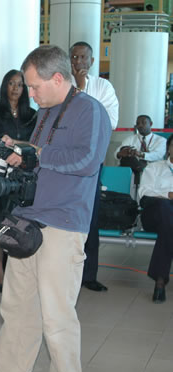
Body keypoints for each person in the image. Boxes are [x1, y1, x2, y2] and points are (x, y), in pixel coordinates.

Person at [0, 45, 111, 372]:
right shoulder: (47, 113)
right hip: (29, 221)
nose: (29, 94)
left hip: (64, 225)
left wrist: (36, 153)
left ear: (57, 78)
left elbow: (87, 160)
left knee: (57, 314)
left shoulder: (90, 111)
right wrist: (15, 150)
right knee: (17, 308)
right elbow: (38, 154)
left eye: (34, 86)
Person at [70, 40, 120, 293]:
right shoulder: (62, 85)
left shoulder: (103, 86)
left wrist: (82, 94)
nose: (79, 62)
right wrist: (77, 90)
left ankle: (89, 275)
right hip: (65, 164)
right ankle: (68, 274)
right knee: (66, 218)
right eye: (74, 58)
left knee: (91, 218)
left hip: (92, 164)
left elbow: (109, 122)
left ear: (92, 61)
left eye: (83, 58)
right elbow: (61, 121)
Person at [0, 69, 37, 291]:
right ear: (4, 86)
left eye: (20, 84)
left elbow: (35, 146)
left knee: (20, 224)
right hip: (1, 173)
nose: (16, 88)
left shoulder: (33, 115)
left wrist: (16, 144)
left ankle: (17, 276)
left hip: (26, 176)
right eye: (11, 83)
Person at [137, 136, 172, 304]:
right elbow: (143, 193)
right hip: (154, 213)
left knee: (169, 226)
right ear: (169, 149)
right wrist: (168, 195)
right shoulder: (155, 167)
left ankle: (160, 280)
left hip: (167, 223)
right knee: (165, 209)